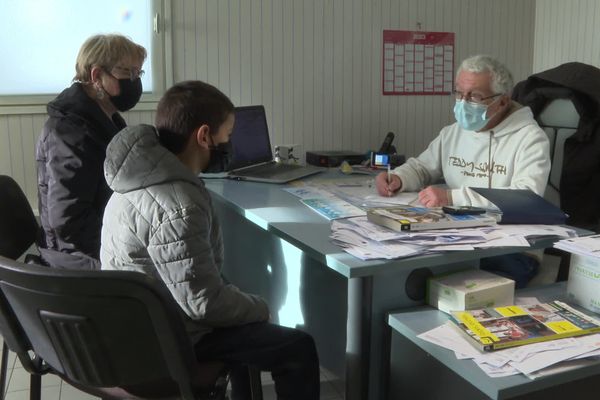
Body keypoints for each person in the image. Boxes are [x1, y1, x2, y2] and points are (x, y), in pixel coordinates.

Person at [100, 80, 320, 400]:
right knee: (297, 346)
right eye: (227, 136)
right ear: (204, 136)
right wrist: (260, 307)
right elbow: (204, 305)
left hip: (138, 325)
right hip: (168, 339)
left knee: (243, 316)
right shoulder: (179, 206)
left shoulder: (135, 177)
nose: (230, 145)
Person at [375, 55, 551, 288]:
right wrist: (397, 177)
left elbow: (526, 198)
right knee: (397, 268)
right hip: (458, 239)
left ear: (502, 101)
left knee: (428, 281)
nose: (463, 102)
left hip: (509, 248)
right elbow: (422, 167)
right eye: (459, 93)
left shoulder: (530, 138)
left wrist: (451, 197)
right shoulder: (453, 132)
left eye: (475, 96)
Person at [36, 34, 147, 270]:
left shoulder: (105, 119)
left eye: (139, 74)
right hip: (76, 257)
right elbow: (68, 222)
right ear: (97, 76)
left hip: (101, 239)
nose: (135, 82)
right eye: (128, 73)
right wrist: (126, 243)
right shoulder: (69, 133)